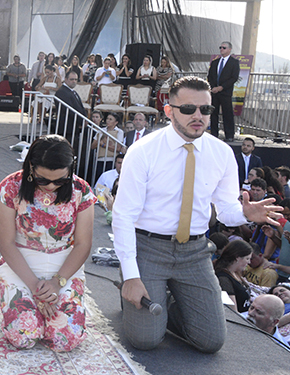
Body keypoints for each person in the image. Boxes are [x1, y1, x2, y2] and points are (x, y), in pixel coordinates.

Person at [112, 76, 282, 353]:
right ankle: (136, 291)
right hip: (147, 247)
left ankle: (165, 302)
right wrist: (132, 276)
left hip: (195, 252)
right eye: (188, 109)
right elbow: (123, 217)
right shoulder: (143, 151)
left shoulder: (222, 153)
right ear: (169, 111)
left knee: (211, 341)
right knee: (146, 340)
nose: (198, 116)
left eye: (206, 109)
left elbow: (226, 212)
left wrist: (245, 213)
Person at [0, 135, 95, 351]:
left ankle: (52, 307)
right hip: (21, 262)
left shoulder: (81, 190)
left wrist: (57, 284)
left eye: (60, 181)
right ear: (31, 166)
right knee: (24, 337)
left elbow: (83, 245)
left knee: (65, 340)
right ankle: (22, 303)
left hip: (65, 266)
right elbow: (6, 243)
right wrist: (36, 288)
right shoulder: (10, 186)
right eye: (42, 180)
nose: (51, 186)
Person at [207, 41, 240, 142]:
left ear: (229, 49)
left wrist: (222, 87)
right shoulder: (215, 62)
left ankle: (229, 135)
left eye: (224, 48)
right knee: (213, 113)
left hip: (225, 92)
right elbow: (210, 76)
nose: (221, 49)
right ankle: (214, 134)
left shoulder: (234, 62)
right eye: (220, 47)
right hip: (215, 92)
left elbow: (234, 77)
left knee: (227, 114)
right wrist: (213, 87)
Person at [214, 240, 252, 312]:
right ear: (237, 258)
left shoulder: (236, 273)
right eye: (247, 258)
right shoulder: (224, 279)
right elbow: (233, 311)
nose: (249, 262)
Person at [89, 112, 123, 185]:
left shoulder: (119, 132)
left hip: (111, 160)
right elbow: (92, 146)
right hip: (100, 159)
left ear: (116, 122)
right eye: (107, 119)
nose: (108, 121)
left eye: (111, 119)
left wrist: (103, 144)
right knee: (99, 181)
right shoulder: (101, 130)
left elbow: (118, 148)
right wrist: (100, 139)